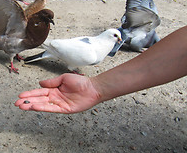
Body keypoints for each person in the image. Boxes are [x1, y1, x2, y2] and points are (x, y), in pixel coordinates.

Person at [15, 26, 187, 114]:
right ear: (108, 35)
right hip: (60, 50)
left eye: (119, 38)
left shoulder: (99, 47)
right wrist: (94, 87)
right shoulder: (92, 53)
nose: (119, 40)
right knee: (87, 59)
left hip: (66, 50)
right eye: (116, 37)